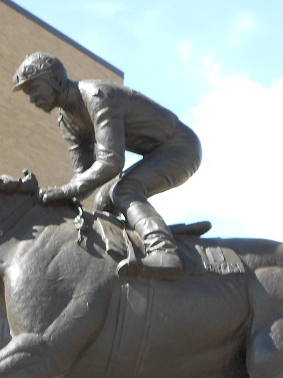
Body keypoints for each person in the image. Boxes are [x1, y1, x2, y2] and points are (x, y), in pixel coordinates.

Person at [12, 51, 202, 276]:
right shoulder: (66, 119)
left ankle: (163, 250)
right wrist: (57, 200)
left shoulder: (97, 97)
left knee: (124, 191)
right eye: (27, 93)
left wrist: (64, 191)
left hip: (181, 147)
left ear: (56, 80)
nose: (31, 98)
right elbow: (81, 176)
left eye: (33, 88)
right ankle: (137, 245)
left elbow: (111, 161)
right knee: (103, 200)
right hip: (156, 152)